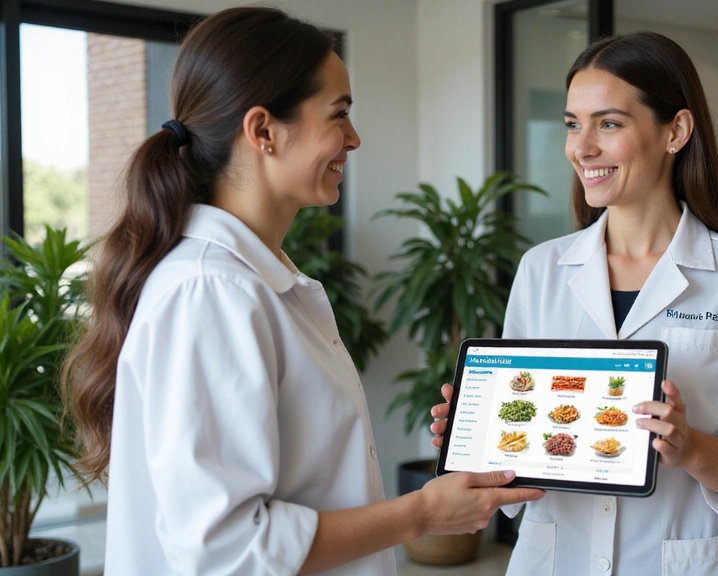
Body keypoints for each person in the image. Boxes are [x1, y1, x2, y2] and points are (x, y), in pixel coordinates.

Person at [61, 7, 543, 576]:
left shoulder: (255, 280)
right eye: (338, 115)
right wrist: (421, 514)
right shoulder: (210, 292)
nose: (354, 138)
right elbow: (229, 547)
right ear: (263, 130)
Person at [432, 32, 718, 576]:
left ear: (676, 132)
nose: (581, 147)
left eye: (608, 123)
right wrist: (481, 435)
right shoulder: (541, 270)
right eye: (573, 123)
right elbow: (530, 451)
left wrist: (693, 451)